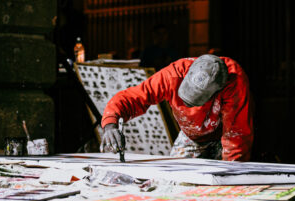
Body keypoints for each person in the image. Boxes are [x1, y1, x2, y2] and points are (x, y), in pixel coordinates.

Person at [101, 54, 253, 161]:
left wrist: (231, 174)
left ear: (217, 90)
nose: (188, 104)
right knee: (173, 181)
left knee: (225, 181)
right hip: (192, 136)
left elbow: (236, 136)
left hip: (224, 135)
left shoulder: (234, 81)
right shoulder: (173, 74)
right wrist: (110, 124)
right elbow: (133, 97)